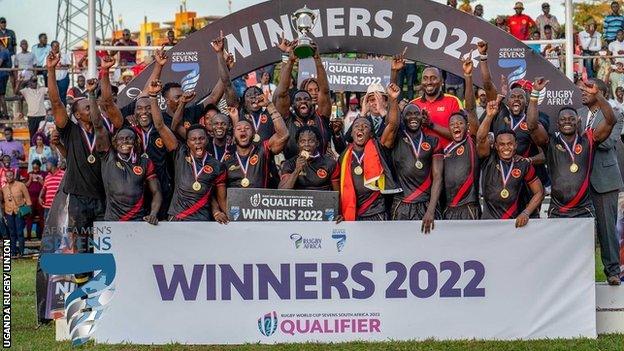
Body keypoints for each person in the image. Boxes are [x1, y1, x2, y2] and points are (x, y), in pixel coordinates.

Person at [47, 50, 105, 266]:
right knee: (81, 245)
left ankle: (104, 291)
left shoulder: (103, 130)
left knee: (103, 247)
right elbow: (56, 103)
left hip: (102, 197)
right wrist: (51, 71)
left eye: (92, 105)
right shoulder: (70, 131)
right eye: (87, 107)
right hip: (79, 199)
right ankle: (82, 288)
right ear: (77, 114)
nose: (92, 109)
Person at [86, 78, 161, 224]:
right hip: (112, 221)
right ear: (115, 142)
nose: (125, 142)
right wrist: (91, 94)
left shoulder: (144, 162)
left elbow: (156, 191)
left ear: (136, 142)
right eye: (121, 139)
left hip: (138, 220)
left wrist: (153, 213)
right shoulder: (108, 156)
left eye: (129, 139)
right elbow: (98, 125)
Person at [577, 78, 624, 286]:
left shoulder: (615, 116)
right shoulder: (576, 115)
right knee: (580, 230)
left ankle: (612, 272)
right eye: (582, 89)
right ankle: (580, 275)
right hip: (578, 181)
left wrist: (586, 139)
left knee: (606, 228)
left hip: (603, 180)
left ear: (601, 92)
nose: (583, 92)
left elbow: (607, 143)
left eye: (588, 89)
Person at [384, 82, 443, 230]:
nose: (413, 117)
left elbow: (438, 177)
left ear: (422, 117)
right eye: (408, 114)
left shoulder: (433, 141)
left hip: (426, 204)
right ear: (403, 119)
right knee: (403, 251)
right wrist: (393, 99)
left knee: (430, 251)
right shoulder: (396, 138)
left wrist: (431, 210)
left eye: (416, 113)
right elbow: (391, 122)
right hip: (402, 205)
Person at [476, 101, 544, 226]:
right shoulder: (488, 159)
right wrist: (489, 116)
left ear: (516, 145)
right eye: (502, 144)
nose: (506, 148)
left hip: (514, 224)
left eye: (510, 144)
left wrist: (526, 212)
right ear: (496, 146)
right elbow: (480, 138)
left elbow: (539, 192)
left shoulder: (523, 164)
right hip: (489, 223)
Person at [337, 116, 400, 222]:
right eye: (356, 126)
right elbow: (339, 185)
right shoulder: (344, 155)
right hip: (354, 213)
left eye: (365, 126)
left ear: (371, 134)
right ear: (352, 133)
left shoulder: (379, 148)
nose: (360, 128)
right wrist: (339, 211)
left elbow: (392, 126)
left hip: (377, 212)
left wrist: (392, 101)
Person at [443, 56, 481, 220]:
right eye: (452, 124)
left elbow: (471, 109)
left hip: (468, 207)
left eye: (460, 123)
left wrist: (468, 76)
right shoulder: (445, 149)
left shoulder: (471, 141)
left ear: (467, 126)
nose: (456, 126)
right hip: (448, 207)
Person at [225, 94, 289, 189]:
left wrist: (270, 106)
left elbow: (283, 135)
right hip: (236, 203)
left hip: (260, 202)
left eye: (247, 128)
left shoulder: (263, 151)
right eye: (239, 129)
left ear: (254, 134)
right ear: (234, 136)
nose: (243, 130)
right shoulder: (228, 159)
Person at [409, 66, 462, 148]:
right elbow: (407, 136)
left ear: (441, 81)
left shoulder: (453, 101)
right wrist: (419, 124)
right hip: (420, 157)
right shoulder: (413, 104)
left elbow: (458, 135)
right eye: (425, 79)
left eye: (433, 78)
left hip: (447, 156)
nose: (429, 82)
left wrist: (430, 124)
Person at [279, 126, 340, 191]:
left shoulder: (330, 163)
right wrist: (297, 170)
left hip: (321, 200)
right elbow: (282, 191)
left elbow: (336, 194)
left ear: (317, 143)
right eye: (302, 141)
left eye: (311, 141)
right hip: (300, 200)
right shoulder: (289, 164)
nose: (306, 144)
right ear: (297, 144)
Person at [1, 169, 31, 257]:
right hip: (9, 212)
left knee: (20, 232)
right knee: (12, 233)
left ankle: (21, 251)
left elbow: (28, 199)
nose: (9, 177)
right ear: (5, 177)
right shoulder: (4, 188)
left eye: (11, 175)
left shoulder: (21, 185)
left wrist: (28, 210)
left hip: (19, 211)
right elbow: (2, 201)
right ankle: (13, 252)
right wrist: (4, 213)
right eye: (7, 176)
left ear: (14, 176)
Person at [24, 159, 46, 239]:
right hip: (31, 198)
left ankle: (42, 236)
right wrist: (30, 179)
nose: (35, 170)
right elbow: (25, 186)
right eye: (34, 168)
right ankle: (28, 236)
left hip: (41, 198)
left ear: (39, 167)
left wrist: (40, 180)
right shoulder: (29, 174)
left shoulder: (43, 174)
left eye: (36, 168)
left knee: (41, 217)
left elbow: (46, 185)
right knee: (29, 217)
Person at [39, 157, 64, 221]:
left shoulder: (63, 175)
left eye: (47, 164)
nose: (46, 166)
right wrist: (40, 197)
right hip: (48, 207)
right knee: (48, 229)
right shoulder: (47, 177)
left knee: (58, 228)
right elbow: (44, 188)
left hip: (59, 207)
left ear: (52, 164)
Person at [50, 41, 71, 105]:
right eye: (54, 46)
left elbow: (69, 65)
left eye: (57, 46)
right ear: (51, 47)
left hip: (63, 78)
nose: (56, 48)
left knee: (62, 96)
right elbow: (45, 66)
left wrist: (62, 65)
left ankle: (63, 111)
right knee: (53, 97)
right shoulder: (48, 56)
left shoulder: (64, 55)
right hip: (53, 79)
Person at [0, 40, 10, 118]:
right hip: (2, 75)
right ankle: (3, 113)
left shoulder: (4, 51)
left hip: (2, 75)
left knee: (1, 95)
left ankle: (6, 114)